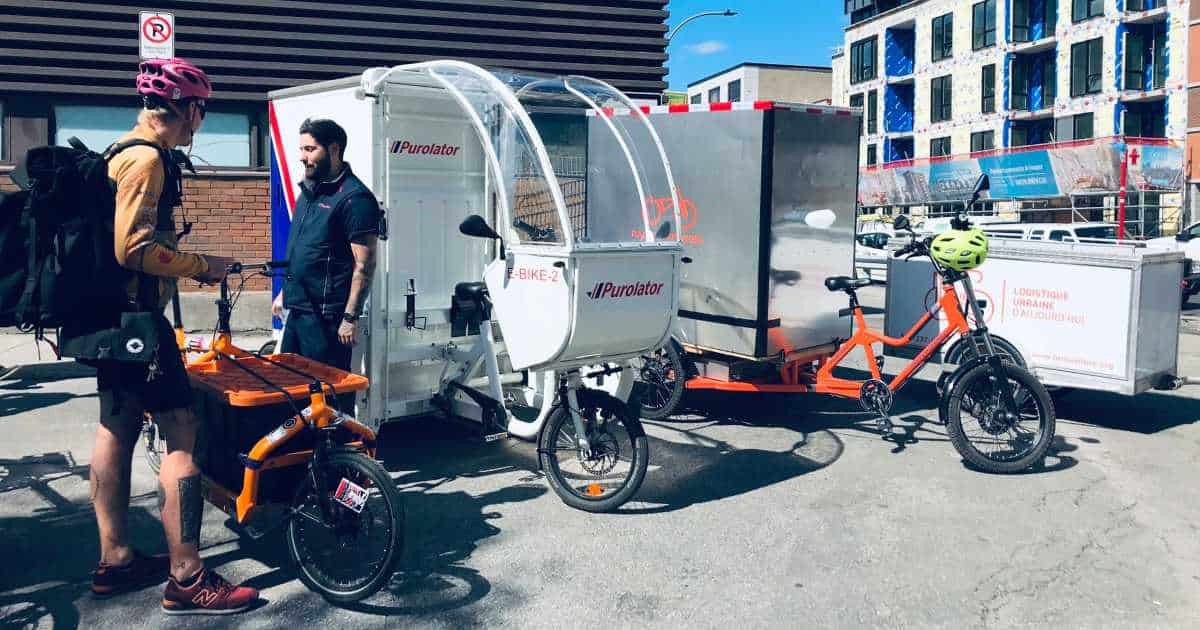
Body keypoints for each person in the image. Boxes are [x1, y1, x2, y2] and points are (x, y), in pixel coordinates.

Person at [69, 58, 259, 615]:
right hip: (137, 323)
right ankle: (188, 577)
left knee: (116, 429)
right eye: (201, 109)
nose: (202, 121)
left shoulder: (118, 151)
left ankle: (116, 560)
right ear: (186, 108)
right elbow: (132, 248)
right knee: (183, 432)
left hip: (110, 322)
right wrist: (201, 265)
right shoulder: (147, 159)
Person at [273, 118, 382, 374]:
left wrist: (350, 318)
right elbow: (304, 250)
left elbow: (365, 265)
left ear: (334, 149)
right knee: (290, 382)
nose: (302, 157)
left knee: (327, 389)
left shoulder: (355, 198)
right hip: (299, 309)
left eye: (310, 149)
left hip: (326, 317)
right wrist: (285, 292)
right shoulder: (310, 191)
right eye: (301, 149)